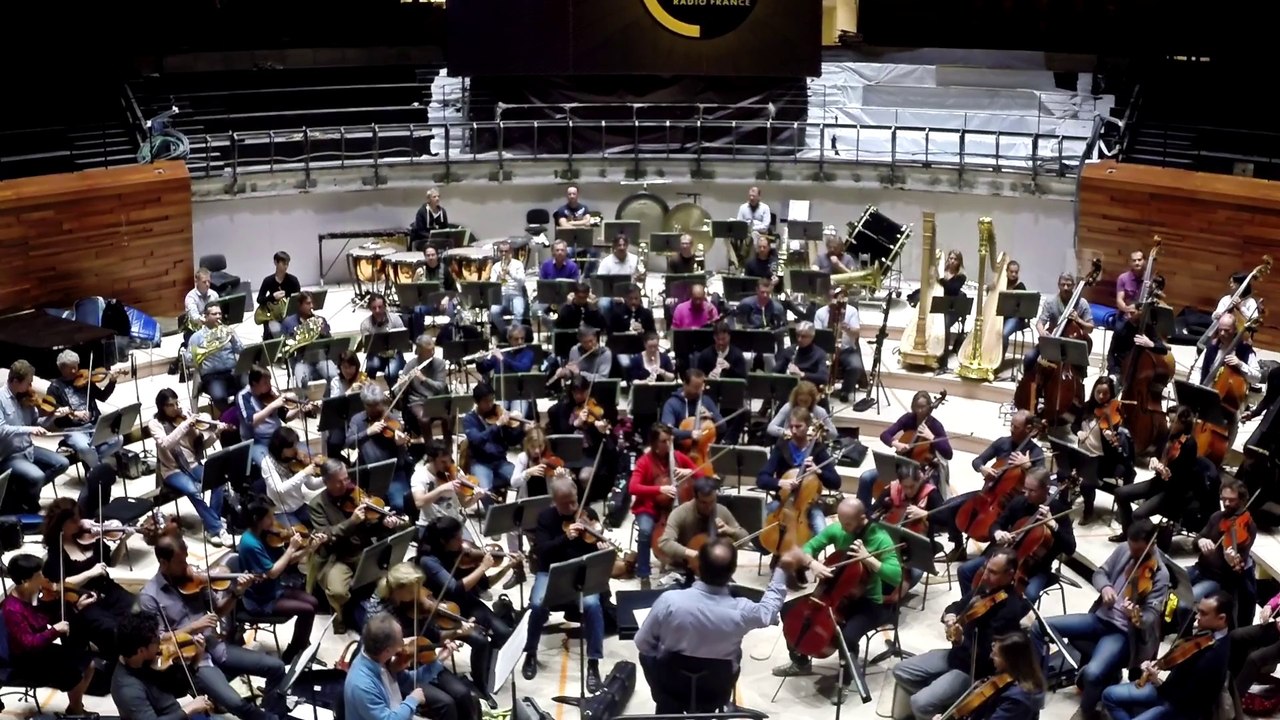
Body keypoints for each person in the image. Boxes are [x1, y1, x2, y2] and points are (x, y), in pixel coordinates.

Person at [636, 540, 800, 714]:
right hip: (715, 692)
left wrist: (666, 648)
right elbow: (769, 611)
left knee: (647, 655)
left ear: (699, 566)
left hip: (672, 688)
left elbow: (643, 643)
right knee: (735, 655)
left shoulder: (669, 601)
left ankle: (666, 705)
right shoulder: (742, 610)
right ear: (733, 570)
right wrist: (781, 570)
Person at [139, 535, 286, 720]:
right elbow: (159, 640)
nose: (186, 566)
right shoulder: (149, 596)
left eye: (186, 559)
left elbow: (220, 611)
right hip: (193, 660)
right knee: (237, 703)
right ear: (163, 562)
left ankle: (271, 711)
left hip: (216, 645)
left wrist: (236, 593)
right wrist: (194, 627)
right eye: (180, 562)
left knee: (277, 667)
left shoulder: (195, 580)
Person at [772, 498, 903, 704]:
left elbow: (895, 576)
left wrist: (868, 558)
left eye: (848, 523)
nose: (843, 527)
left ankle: (845, 681)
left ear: (862, 518)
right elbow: (809, 547)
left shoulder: (881, 539)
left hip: (868, 602)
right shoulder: (839, 529)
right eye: (841, 521)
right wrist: (812, 563)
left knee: (847, 637)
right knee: (789, 610)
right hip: (833, 594)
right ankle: (801, 663)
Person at [1035, 520, 1169, 720]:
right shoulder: (1125, 549)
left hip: (1121, 632)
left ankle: (1086, 711)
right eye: (1132, 550)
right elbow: (1100, 573)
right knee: (1041, 626)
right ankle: (1034, 687)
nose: (1134, 556)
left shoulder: (1160, 575)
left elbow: (1151, 615)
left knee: (1093, 673)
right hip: (1100, 618)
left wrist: (1137, 616)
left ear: (1152, 544)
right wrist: (1105, 587)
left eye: (1138, 552)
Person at [891, 548, 1030, 720]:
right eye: (986, 567)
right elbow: (958, 605)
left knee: (920, 703)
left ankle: (943, 707)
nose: (985, 575)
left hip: (971, 669)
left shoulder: (1010, 610)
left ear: (1010, 575)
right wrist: (949, 614)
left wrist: (961, 639)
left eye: (993, 572)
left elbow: (988, 655)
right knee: (900, 671)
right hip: (956, 654)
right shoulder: (986, 589)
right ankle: (947, 704)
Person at [358, 564, 485, 720]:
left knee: (464, 694)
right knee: (446, 704)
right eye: (413, 590)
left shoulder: (413, 602)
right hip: (400, 668)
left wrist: (456, 632)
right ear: (398, 589)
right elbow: (384, 656)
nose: (418, 594)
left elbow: (434, 635)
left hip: (425, 658)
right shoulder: (378, 615)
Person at [520, 475, 608, 690]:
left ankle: (594, 662)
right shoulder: (545, 518)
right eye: (565, 503)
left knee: (593, 605)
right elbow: (541, 552)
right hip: (552, 572)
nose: (572, 507)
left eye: (574, 501)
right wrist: (565, 537)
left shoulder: (589, 514)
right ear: (555, 501)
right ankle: (530, 652)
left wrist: (600, 545)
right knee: (537, 605)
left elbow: (594, 545)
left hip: (582, 571)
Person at [416, 517, 518, 696]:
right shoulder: (428, 561)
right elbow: (454, 588)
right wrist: (483, 567)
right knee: (480, 641)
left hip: (467, 602)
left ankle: (487, 671)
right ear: (443, 541)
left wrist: (508, 565)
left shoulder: (461, 554)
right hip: (445, 611)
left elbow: (485, 585)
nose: (462, 541)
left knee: (504, 633)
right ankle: (480, 685)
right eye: (457, 538)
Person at [309, 459, 409, 633]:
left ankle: (387, 617)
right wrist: (352, 522)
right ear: (326, 482)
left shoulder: (356, 492)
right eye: (339, 481)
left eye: (346, 478)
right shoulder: (317, 504)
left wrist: (384, 523)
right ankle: (340, 617)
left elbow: (371, 527)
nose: (345, 484)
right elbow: (327, 536)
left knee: (393, 580)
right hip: (337, 556)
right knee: (338, 592)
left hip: (363, 551)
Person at [1101, 592, 1233, 720]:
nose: (1197, 616)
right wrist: (1158, 664)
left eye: (1203, 614)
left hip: (1178, 708)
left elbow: (1187, 701)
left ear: (1221, 618)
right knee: (1109, 695)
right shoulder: (1207, 631)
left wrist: (1157, 682)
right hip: (1168, 692)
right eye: (1198, 611)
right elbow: (1181, 655)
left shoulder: (1215, 657)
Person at [956, 468, 1075, 606]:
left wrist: (1053, 525)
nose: (1026, 494)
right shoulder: (1019, 502)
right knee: (964, 571)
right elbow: (996, 524)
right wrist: (997, 533)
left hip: (1034, 569)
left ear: (1045, 489)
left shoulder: (1058, 511)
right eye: (1025, 489)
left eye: (1032, 491)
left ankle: (1008, 621)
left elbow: (1070, 548)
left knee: (1028, 595)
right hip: (1006, 557)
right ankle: (971, 609)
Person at [41, 497, 140, 659]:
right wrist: (90, 573)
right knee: (113, 629)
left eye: (79, 516)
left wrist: (123, 541)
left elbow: (112, 562)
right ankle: (121, 659)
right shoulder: (56, 554)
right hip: (85, 600)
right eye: (74, 520)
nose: (80, 522)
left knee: (138, 607)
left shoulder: (90, 539)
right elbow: (59, 585)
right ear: (62, 524)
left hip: (108, 590)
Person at [940, 410, 1044, 561]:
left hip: (1011, 503)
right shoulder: (1003, 442)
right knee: (950, 506)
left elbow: (1042, 481)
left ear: (1028, 429)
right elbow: (977, 461)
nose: (1011, 429)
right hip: (989, 493)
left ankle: (992, 556)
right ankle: (958, 547)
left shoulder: (1035, 452)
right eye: (1011, 425)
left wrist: (1028, 466)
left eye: (1016, 427)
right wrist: (983, 468)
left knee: (998, 529)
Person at [2, 553, 94, 713]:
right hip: (26, 661)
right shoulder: (12, 610)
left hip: (41, 651)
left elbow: (43, 621)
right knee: (75, 674)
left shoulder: (33, 596)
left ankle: (74, 707)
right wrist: (54, 631)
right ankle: (77, 711)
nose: (44, 579)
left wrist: (76, 607)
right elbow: (29, 643)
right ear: (25, 582)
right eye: (39, 576)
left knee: (89, 664)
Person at [237, 501, 319, 665]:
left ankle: (301, 643)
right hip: (260, 600)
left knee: (314, 602)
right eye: (269, 516)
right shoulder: (250, 543)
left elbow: (284, 561)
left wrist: (310, 548)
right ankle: (293, 651)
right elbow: (273, 572)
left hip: (273, 589)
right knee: (308, 610)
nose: (273, 520)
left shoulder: (265, 535)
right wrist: (291, 549)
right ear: (256, 519)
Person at [149, 388, 232, 545]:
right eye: (170, 405)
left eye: (176, 403)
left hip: (192, 464)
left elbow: (201, 445)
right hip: (172, 470)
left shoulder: (185, 419)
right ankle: (218, 528)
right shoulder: (155, 424)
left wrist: (216, 434)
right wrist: (186, 425)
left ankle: (212, 525)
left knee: (219, 480)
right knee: (193, 490)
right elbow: (166, 444)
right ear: (162, 407)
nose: (175, 408)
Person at [1110, 406, 1200, 543]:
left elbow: (1184, 477)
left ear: (1183, 424)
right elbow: (1156, 452)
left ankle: (1150, 539)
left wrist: (1168, 472)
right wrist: (1153, 459)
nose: (1169, 425)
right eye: (1169, 421)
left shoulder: (1189, 444)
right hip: (1158, 483)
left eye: (1173, 422)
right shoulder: (1167, 435)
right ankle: (1127, 533)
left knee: (1138, 515)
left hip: (1173, 491)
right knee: (1120, 493)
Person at [628, 423, 702, 587]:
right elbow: (633, 487)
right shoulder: (644, 461)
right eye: (664, 441)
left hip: (673, 509)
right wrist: (659, 489)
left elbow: (702, 473)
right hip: (648, 508)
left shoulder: (677, 456)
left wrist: (689, 472)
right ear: (654, 444)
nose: (668, 445)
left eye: (670, 440)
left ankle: (689, 569)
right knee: (646, 531)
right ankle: (644, 573)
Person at [856, 389, 953, 507]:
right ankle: (861, 512)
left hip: (920, 472)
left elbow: (948, 453)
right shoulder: (908, 418)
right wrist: (896, 443)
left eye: (923, 407)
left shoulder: (935, 425)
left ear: (929, 406)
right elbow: (885, 435)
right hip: (900, 467)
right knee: (866, 477)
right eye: (917, 407)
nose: (920, 410)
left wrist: (932, 437)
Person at [112, 610, 215, 720]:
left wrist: (196, 658)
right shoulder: (128, 689)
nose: (161, 642)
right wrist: (189, 709)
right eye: (156, 639)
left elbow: (179, 689)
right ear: (141, 650)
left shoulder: (147, 662)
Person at [756, 407, 841, 538]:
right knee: (760, 530)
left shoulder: (817, 450)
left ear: (808, 426)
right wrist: (780, 482)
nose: (794, 431)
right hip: (782, 503)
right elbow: (761, 479)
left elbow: (836, 482)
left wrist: (818, 471)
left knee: (821, 534)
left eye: (798, 426)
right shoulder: (782, 447)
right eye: (791, 427)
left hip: (809, 507)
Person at [0, 359, 71, 512]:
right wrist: (29, 429)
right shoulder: (0, 399)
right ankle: (30, 503)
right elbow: (2, 429)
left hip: (29, 448)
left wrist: (53, 416)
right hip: (9, 455)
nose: (30, 386)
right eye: (28, 382)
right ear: (15, 381)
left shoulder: (25, 396)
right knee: (37, 477)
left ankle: (23, 494)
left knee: (62, 463)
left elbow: (36, 423)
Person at [1066, 376, 1135, 525]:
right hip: (1083, 456)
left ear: (1111, 394)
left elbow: (1120, 450)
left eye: (1106, 394)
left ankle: (1088, 511)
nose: (1101, 397)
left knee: (1086, 483)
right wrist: (1079, 433)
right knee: (1062, 471)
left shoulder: (1115, 415)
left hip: (1103, 460)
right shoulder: (1085, 407)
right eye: (1098, 392)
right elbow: (1074, 425)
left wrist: (1112, 438)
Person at [933, 632, 1045, 720]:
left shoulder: (1017, 701)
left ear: (1010, 661)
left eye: (996, 655)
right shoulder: (1011, 675)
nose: (991, 656)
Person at [656, 477, 750, 579]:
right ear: (695, 498)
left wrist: (730, 531)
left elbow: (745, 540)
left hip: (713, 571)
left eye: (712, 501)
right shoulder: (680, 513)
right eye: (704, 503)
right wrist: (692, 554)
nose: (709, 507)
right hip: (683, 568)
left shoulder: (721, 510)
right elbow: (665, 542)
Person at [48, 349, 126, 470]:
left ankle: (91, 462)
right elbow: (53, 410)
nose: (75, 371)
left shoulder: (85, 380)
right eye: (70, 368)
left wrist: (112, 381)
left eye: (76, 366)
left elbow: (102, 396)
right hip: (74, 429)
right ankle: (97, 470)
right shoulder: (55, 388)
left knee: (118, 439)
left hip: (94, 424)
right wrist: (72, 413)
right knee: (86, 448)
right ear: (62, 369)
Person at [343, 612, 428, 720]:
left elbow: (409, 680)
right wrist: (412, 700)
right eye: (400, 641)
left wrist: (438, 661)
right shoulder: (362, 685)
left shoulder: (379, 659)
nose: (403, 645)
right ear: (387, 650)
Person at [870, 462, 943, 588]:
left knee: (913, 575)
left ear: (919, 480)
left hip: (917, 548)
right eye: (905, 487)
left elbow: (945, 519)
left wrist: (926, 514)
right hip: (889, 542)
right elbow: (872, 510)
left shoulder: (931, 494)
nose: (908, 491)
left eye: (912, 486)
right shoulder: (894, 489)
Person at [1188, 477, 1256, 610]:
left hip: (1217, 579)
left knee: (1186, 603)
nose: (1226, 503)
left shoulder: (1249, 527)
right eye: (1223, 499)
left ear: (1242, 500)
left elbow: (1239, 566)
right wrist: (1201, 541)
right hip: (1199, 569)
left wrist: (1231, 560)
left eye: (1231, 500)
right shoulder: (1217, 517)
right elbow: (1196, 541)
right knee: (1171, 585)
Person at [346, 384, 413, 512]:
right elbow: (349, 443)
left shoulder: (391, 417)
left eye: (378, 404)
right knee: (366, 509)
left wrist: (400, 445)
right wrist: (367, 432)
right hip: (368, 473)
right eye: (371, 406)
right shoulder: (357, 420)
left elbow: (402, 456)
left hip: (393, 472)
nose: (377, 409)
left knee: (401, 505)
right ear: (365, 405)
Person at [1023, 271, 1093, 374]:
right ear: (1058, 285)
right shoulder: (1051, 302)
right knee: (1029, 358)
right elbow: (1040, 322)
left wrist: (1078, 319)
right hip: (1053, 340)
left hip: (1072, 345)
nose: (1065, 288)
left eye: (1068, 285)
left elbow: (1090, 328)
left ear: (1073, 286)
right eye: (1063, 284)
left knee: (1080, 370)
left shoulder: (1082, 303)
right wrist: (1042, 332)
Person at [461, 382, 523, 497]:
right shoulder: (469, 420)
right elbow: (477, 440)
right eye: (486, 401)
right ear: (476, 402)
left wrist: (521, 429)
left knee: (523, 479)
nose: (490, 404)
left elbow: (512, 441)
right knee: (483, 491)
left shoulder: (498, 413)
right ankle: (492, 513)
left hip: (500, 461)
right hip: (480, 463)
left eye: (492, 400)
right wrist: (497, 425)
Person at [261, 426, 325, 527]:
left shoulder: (296, 459)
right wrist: (303, 473)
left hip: (299, 505)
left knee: (322, 523)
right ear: (281, 448)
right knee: (300, 537)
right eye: (292, 447)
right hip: (281, 511)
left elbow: (312, 485)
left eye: (296, 445)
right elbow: (279, 489)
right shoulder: (267, 464)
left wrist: (328, 478)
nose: (296, 449)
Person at [186, 303, 245, 412]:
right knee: (219, 397)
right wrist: (200, 355)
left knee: (250, 385)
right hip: (212, 376)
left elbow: (241, 350)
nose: (218, 316)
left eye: (219, 313)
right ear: (206, 316)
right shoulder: (197, 337)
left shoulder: (227, 331)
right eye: (214, 314)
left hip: (232, 372)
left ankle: (240, 410)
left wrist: (234, 338)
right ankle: (231, 415)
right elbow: (188, 360)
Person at [813, 286, 866, 401]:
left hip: (846, 350)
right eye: (833, 297)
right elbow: (817, 335)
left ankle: (845, 391)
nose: (836, 300)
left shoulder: (851, 311)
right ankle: (818, 391)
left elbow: (856, 333)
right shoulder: (820, 313)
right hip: (825, 350)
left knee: (855, 366)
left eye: (839, 297)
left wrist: (846, 327)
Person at [1229, 586, 1280, 700]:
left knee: (1254, 659)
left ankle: (1233, 701)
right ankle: (1232, 680)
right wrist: (1269, 606)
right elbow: (1278, 598)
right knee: (1236, 636)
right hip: (1276, 629)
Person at [281, 291, 337, 390]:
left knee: (333, 375)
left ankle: (329, 401)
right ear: (299, 305)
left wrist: (324, 333)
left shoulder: (320, 320)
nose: (311, 306)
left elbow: (330, 344)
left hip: (321, 359)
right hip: (301, 361)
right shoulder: (288, 322)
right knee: (302, 381)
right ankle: (306, 404)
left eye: (312, 303)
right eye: (308, 303)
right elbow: (286, 347)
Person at [1107, 250, 1148, 375]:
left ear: (1145, 261)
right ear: (1130, 262)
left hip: (1141, 318)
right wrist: (1127, 309)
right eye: (1134, 260)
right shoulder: (1123, 278)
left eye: (1139, 260)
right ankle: (1113, 369)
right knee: (1119, 331)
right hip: (1125, 316)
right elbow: (1119, 300)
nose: (1137, 263)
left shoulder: (1149, 281)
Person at [403, 334, 449, 442]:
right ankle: (429, 448)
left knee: (448, 417)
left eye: (433, 349)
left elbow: (440, 387)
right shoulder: (410, 365)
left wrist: (424, 379)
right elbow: (398, 392)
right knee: (424, 419)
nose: (432, 353)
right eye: (428, 351)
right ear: (419, 351)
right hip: (417, 401)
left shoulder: (440, 364)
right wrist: (403, 384)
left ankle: (448, 446)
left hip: (435, 399)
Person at [1198, 311, 1261, 389]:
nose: (1222, 333)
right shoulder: (1211, 347)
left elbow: (1257, 378)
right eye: (1220, 330)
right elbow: (1198, 369)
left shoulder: (1245, 350)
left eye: (1226, 330)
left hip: (1231, 395)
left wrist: (1240, 364)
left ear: (1235, 329)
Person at [766, 380, 837, 441]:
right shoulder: (789, 407)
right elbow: (771, 428)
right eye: (800, 401)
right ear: (795, 398)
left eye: (806, 402)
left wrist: (823, 429)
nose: (803, 405)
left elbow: (834, 434)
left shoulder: (819, 411)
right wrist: (785, 432)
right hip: (789, 443)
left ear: (813, 400)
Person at [360, 293, 407, 387]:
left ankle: (395, 394)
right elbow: (368, 346)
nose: (377, 311)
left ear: (385, 306)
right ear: (370, 308)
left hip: (394, 354)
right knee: (371, 367)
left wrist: (393, 350)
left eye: (380, 307)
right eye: (374, 308)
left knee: (391, 374)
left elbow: (403, 339)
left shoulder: (395, 319)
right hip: (376, 354)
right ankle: (370, 393)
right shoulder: (365, 324)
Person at [256, 250, 301, 340]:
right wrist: (272, 297)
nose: (286, 266)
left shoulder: (293, 280)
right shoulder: (268, 281)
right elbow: (259, 299)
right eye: (283, 263)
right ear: (276, 263)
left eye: (287, 264)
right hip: (274, 316)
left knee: (292, 329)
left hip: (289, 315)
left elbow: (298, 299)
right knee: (275, 331)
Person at [487, 240, 527, 338]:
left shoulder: (518, 264)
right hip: (502, 294)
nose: (504, 254)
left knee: (519, 311)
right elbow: (492, 284)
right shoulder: (496, 267)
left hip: (516, 293)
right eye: (501, 251)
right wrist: (498, 278)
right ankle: (506, 334)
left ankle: (515, 335)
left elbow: (522, 282)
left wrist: (510, 273)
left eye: (506, 251)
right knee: (493, 312)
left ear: (511, 252)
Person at [772, 322, 830, 388]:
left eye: (803, 336)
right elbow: (776, 371)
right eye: (798, 335)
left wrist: (801, 374)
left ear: (812, 337)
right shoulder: (790, 350)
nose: (799, 339)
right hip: (790, 387)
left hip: (809, 389)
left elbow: (823, 378)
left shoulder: (819, 354)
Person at [999, 260, 1030, 356]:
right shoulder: (1002, 284)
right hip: (1001, 317)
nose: (1013, 274)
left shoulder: (1021, 286)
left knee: (1003, 334)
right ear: (1006, 272)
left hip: (1016, 318)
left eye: (1016, 272)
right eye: (1011, 272)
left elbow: (1025, 308)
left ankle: (999, 360)